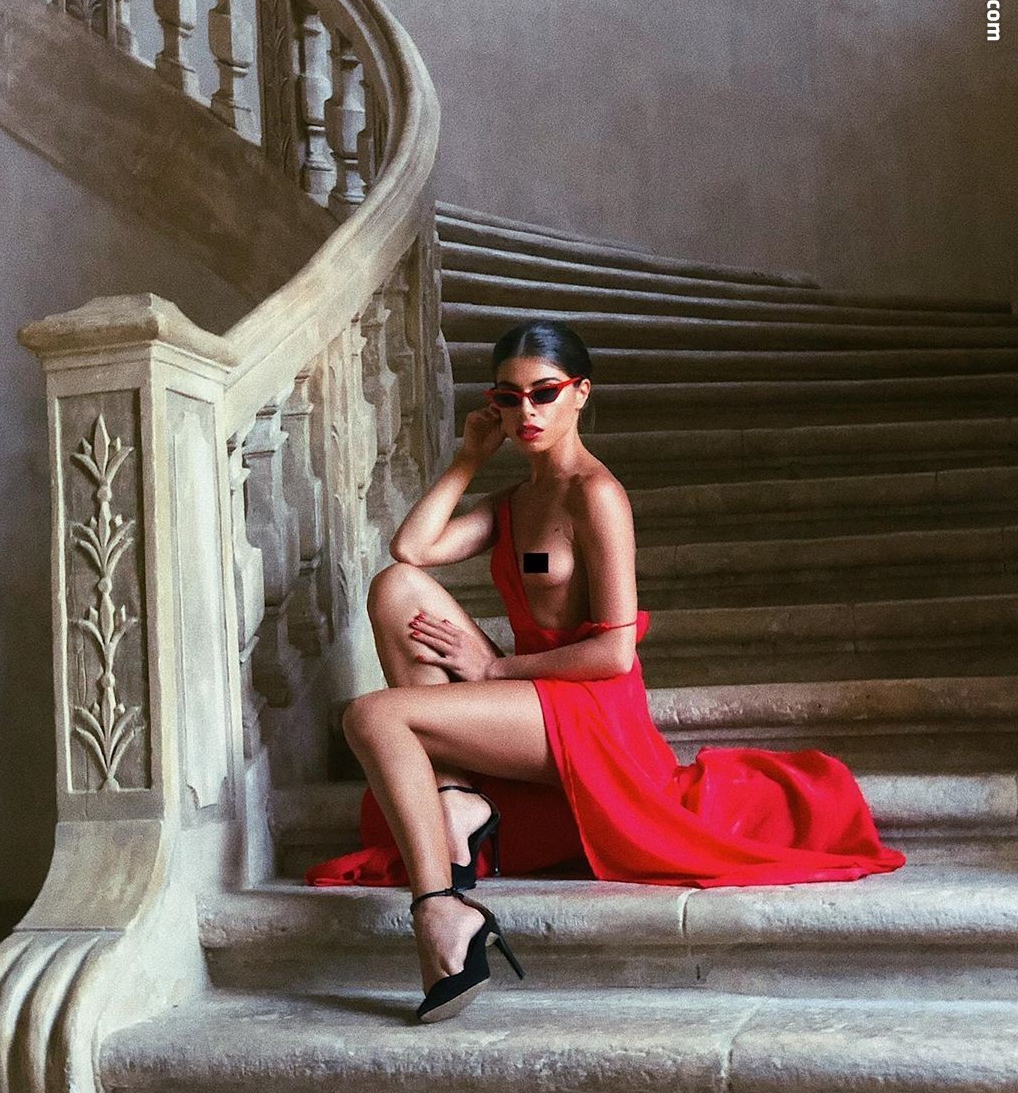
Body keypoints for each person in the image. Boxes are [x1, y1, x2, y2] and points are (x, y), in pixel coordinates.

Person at [308, 319, 905, 1024]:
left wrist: (495, 669)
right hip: (535, 699)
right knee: (395, 589)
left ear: (581, 393)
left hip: (593, 711)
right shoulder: (514, 501)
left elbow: (615, 653)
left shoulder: (597, 496)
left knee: (372, 716)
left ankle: (440, 909)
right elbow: (412, 548)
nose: (526, 413)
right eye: (508, 398)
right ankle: (455, 798)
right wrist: (470, 457)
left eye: (544, 393)